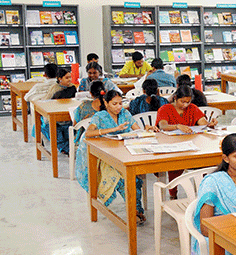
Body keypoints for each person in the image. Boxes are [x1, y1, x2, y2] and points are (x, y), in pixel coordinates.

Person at [80, 90, 159, 225]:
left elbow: (137, 130)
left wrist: (147, 129)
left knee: (134, 179)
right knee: (123, 179)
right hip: (104, 156)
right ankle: (134, 211)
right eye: (114, 104)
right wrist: (113, 130)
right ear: (106, 103)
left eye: (120, 103)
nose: (118, 107)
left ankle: (136, 209)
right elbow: (88, 133)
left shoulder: (125, 114)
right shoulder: (100, 116)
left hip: (124, 153)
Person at [158, 86, 216, 199]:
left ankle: (203, 191)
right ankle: (173, 193)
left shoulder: (192, 108)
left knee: (204, 163)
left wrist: (210, 124)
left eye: (188, 102)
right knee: (175, 165)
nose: (185, 105)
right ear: (175, 98)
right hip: (173, 146)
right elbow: (163, 125)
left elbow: (203, 123)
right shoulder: (165, 109)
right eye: (182, 101)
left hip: (192, 145)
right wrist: (177, 126)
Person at [37, 66, 76, 154]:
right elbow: (46, 101)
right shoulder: (54, 88)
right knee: (48, 126)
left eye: (70, 77)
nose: (69, 80)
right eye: (67, 78)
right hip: (56, 114)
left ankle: (67, 147)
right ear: (60, 79)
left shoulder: (72, 87)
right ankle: (65, 147)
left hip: (68, 114)